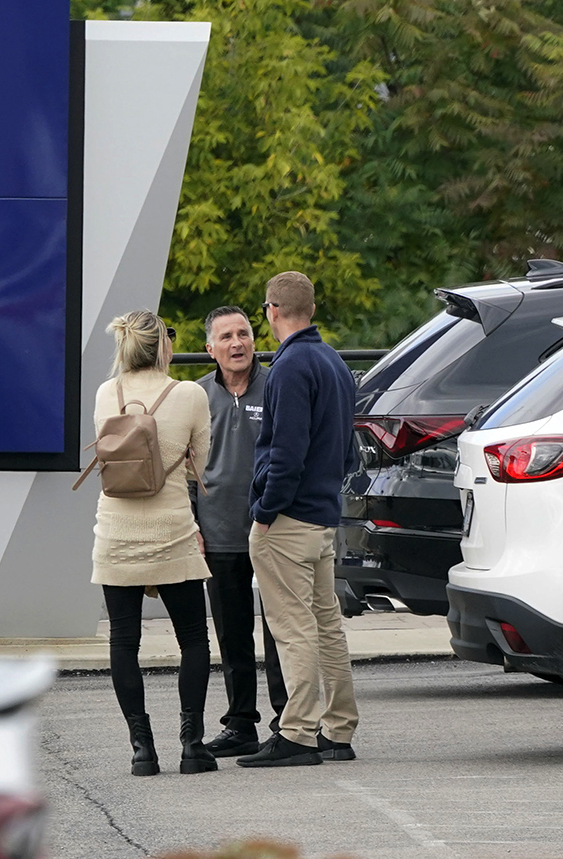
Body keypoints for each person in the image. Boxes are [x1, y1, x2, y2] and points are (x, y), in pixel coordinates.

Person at [238, 271, 360, 768]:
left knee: (293, 628)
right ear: (309, 308)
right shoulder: (333, 361)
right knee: (326, 624)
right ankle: (338, 728)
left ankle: (298, 733)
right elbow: (348, 450)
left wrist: (266, 512)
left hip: (287, 519)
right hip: (322, 516)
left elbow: (285, 453)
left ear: (271, 310)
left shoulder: (289, 367)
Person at [89, 310, 216, 777]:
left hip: (115, 534)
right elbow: (199, 461)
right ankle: (192, 745)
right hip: (172, 532)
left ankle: (142, 749)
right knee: (193, 640)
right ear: (164, 344)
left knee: (124, 642)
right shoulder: (190, 394)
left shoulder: (107, 393)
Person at [194, 305, 288, 758]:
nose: (238, 343)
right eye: (227, 337)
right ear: (209, 348)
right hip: (217, 532)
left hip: (272, 528)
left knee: (279, 629)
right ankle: (240, 724)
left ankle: (287, 721)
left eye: (244, 334)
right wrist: (192, 523)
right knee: (232, 633)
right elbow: (184, 467)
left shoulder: (277, 386)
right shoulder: (195, 396)